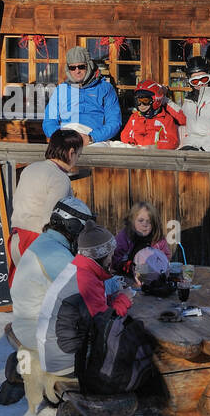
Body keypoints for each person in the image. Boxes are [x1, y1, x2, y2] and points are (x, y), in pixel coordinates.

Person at [36, 222, 136, 378]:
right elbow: (106, 328)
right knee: (134, 353)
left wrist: (111, 299)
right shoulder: (86, 280)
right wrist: (123, 299)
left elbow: (87, 308)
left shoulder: (79, 269)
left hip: (54, 352)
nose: (112, 258)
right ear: (100, 255)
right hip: (65, 361)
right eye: (110, 253)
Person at [9, 196, 92, 354]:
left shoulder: (47, 242)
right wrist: (115, 284)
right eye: (83, 230)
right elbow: (86, 290)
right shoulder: (55, 254)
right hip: (36, 333)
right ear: (73, 227)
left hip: (27, 325)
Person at [8, 129, 84, 269]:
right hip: (37, 242)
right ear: (71, 152)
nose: (76, 160)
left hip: (16, 239)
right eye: (78, 155)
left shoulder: (30, 168)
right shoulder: (60, 178)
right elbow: (51, 218)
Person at [42, 46, 122, 144]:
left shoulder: (104, 88)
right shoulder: (61, 89)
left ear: (89, 66)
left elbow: (114, 122)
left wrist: (92, 137)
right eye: (72, 68)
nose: (77, 71)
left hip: (93, 137)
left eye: (81, 67)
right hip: (65, 135)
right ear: (68, 69)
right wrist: (59, 135)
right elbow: (49, 120)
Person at [112, 200, 172, 275]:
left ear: (154, 224)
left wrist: (158, 267)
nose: (145, 224)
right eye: (141, 220)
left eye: (149, 221)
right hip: (127, 275)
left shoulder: (158, 239)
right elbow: (115, 259)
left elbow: (165, 257)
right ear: (131, 221)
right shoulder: (124, 237)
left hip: (153, 276)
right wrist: (131, 267)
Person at [119, 80, 185, 149]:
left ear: (155, 100)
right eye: (138, 101)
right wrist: (131, 144)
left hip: (155, 155)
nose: (141, 105)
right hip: (135, 152)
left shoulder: (165, 119)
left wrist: (156, 147)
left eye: (145, 101)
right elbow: (125, 134)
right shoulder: (135, 117)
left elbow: (172, 141)